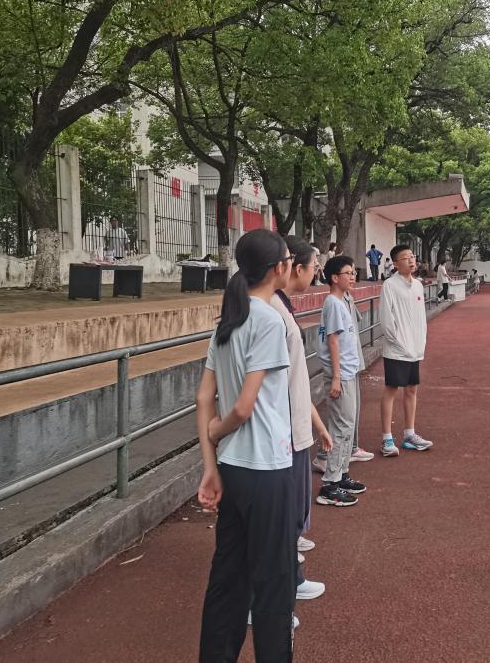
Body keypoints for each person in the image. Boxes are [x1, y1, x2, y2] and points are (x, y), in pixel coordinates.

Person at [195, 229, 296, 661]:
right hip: (267, 469)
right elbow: (241, 407)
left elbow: (204, 398)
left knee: (228, 579)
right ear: (278, 269)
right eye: (288, 259)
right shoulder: (269, 320)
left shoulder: (229, 320)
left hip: (234, 468)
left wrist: (210, 465)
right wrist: (218, 431)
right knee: (274, 584)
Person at [270, 237, 334, 596]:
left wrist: (316, 424)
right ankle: (279, 588)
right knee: (278, 515)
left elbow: (293, 379)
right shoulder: (268, 313)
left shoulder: (279, 307)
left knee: (289, 509)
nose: (315, 272)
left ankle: (287, 577)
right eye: (313, 266)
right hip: (281, 432)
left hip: (292, 426)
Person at [316, 255, 367, 506]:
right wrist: (336, 377)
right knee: (341, 428)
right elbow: (333, 341)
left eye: (353, 272)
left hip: (348, 371)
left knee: (348, 425)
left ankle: (342, 474)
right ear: (335, 278)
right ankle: (330, 484)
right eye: (348, 273)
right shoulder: (334, 303)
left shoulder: (342, 301)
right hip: (341, 374)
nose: (353, 277)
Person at [379, 244, 433, 456]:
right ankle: (386, 439)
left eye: (412, 257)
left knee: (412, 389)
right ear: (395, 264)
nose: (411, 261)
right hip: (397, 349)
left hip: (415, 348)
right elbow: (386, 319)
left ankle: (409, 434)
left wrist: (421, 342)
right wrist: (397, 341)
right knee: (391, 389)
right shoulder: (390, 285)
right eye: (405, 258)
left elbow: (421, 318)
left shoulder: (418, 285)